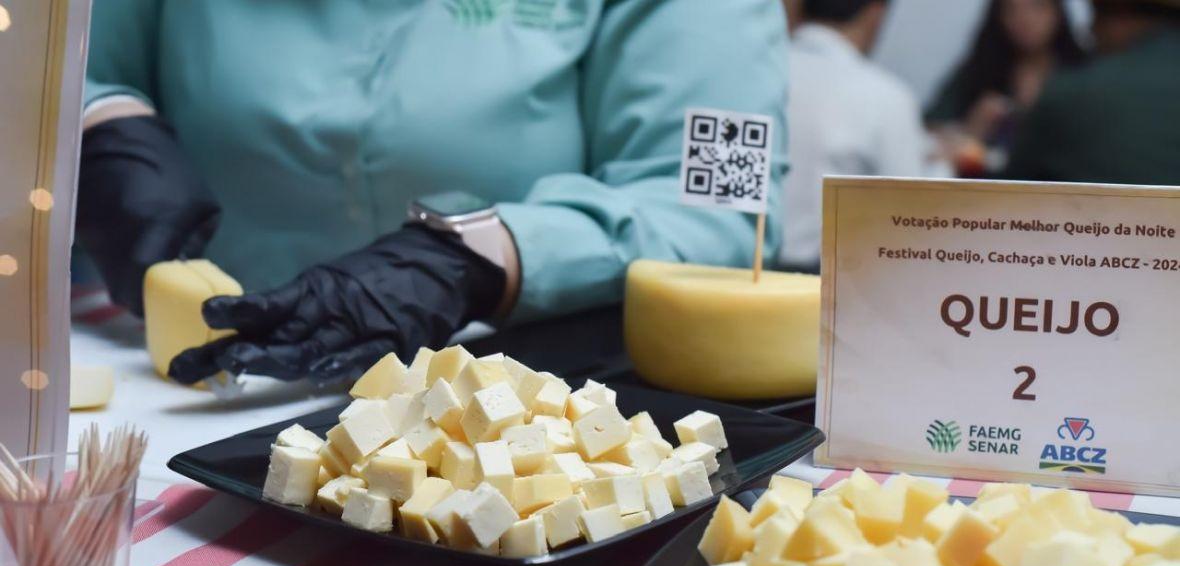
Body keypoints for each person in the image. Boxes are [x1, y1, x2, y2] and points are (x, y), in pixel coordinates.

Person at [77, 1, 790, 386]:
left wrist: (477, 256)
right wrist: (98, 123)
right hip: (187, 388)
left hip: (513, 411)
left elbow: (718, 206)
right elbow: (59, 60)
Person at [778, 0, 926, 272]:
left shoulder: (762, 74)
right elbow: (912, 216)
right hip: (829, 287)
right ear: (876, 13)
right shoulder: (886, 96)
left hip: (736, 275)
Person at [1004, 0, 1180, 184]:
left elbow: (1006, 193)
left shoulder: (1071, 94)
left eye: (1097, 14)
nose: (1091, 29)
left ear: (1120, 15)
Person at [926, 0, 1086, 174]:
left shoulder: (1083, 73)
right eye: (1011, 10)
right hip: (989, 187)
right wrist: (970, 129)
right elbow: (928, 132)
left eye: (1037, 6)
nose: (1025, 19)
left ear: (1058, 12)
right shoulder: (981, 68)